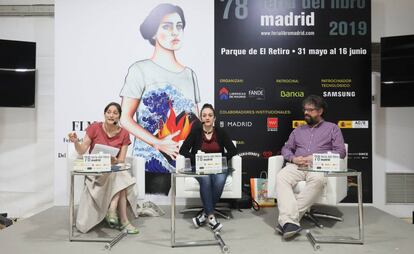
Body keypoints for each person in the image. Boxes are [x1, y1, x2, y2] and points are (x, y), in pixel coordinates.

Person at [120, 3, 200, 195]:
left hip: (185, 160)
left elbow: (195, 118)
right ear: (153, 32)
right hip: (151, 162)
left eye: (179, 26)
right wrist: (157, 143)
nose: (175, 32)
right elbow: (125, 119)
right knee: (156, 214)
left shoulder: (190, 74)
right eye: (167, 26)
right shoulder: (139, 70)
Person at [275, 95, 346, 239]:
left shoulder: (333, 128)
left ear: (320, 111)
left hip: (318, 166)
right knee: (281, 176)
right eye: (305, 110)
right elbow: (286, 149)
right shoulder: (298, 131)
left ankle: (288, 220)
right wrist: (293, 158)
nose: (306, 113)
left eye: (310, 110)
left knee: (319, 180)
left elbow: (341, 152)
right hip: (297, 166)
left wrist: (314, 158)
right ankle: (290, 221)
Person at [68, 102, 139, 234]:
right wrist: (76, 142)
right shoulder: (94, 128)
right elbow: (82, 150)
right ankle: (122, 220)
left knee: (118, 173)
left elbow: (121, 160)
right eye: (109, 112)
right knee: (121, 176)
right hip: (96, 171)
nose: (111, 115)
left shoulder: (124, 133)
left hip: (112, 169)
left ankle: (113, 212)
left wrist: (114, 160)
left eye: (115, 113)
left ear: (119, 117)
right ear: (105, 114)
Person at [179, 104, 237, 232]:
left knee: (220, 180)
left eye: (210, 115)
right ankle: (211, 217)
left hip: (217, 167)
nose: (207, 118)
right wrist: (196, 158)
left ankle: (204, 215)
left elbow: (233, 150)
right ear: (201, 118)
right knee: (205, 179)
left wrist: (221, 158)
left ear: (214, 118)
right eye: (204, 115)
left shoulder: (221, 132)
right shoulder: (195, 132)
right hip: (199, 167)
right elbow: (183, 150)